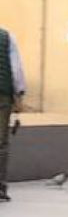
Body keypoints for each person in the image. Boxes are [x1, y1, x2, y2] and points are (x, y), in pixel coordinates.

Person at [0, 25, 23, 201]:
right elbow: (16, 70)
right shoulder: (7, 37)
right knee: (1, 144)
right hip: (3, 96)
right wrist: (19, 95)